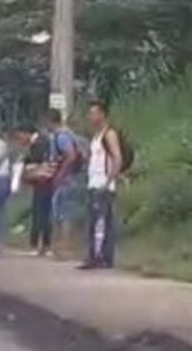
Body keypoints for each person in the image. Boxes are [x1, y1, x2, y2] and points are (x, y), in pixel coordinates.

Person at [82, 100, 123, 270]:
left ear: (102, 114)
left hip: (103, 184)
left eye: (94, 113)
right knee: (95, 221)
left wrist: (109, 181)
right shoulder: (96, 136)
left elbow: (117, 158)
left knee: (100, 221)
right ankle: (97, 255)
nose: (91, 116)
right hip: (94, 182)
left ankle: (101, 257)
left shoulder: (109, 134)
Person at [48, 108, 82, 257]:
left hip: (67, 180)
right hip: (72, 178)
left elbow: (71, 156)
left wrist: (60, 174)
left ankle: (64, 248)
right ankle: (62, 247)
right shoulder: (70, 134)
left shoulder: (61, 137)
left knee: (63, 213)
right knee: (64, 212)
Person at [21, 125, 54, 256]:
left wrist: (27, 166)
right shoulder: (42, 142)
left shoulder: (39, 144)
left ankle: (38, 244)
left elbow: (37, 161)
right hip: (44, 180)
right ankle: (44, 244)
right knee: (43, 213)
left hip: (42, 180)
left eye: (21, 136)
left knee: (40, 212)